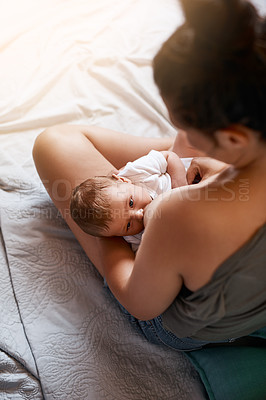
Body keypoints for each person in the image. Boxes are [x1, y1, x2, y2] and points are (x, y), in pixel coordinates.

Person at [33, 0, 266, 351]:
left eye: (187, 128)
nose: (180, 140)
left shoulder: (175, 214)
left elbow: (140, 304)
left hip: (197, 326)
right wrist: (219, 168)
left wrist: (110, 224)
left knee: (54, 143)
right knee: (179, 159)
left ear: (234, 137)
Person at [70, 150, 192, 251]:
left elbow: (168, 156)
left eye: (131, 203)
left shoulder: (136, 173)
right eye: (128, 225)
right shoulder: (135, 238)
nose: (139, 214)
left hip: (191, 179)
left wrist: (180, 184)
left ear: (123, 180)